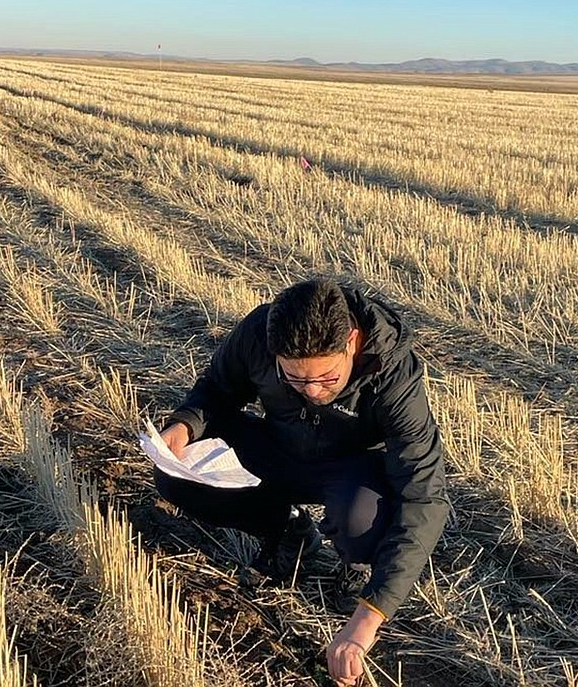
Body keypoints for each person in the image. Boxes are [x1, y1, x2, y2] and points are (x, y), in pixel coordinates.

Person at [155, 278, 449, 686]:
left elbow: (425, 494)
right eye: (294, 379)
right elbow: (217, 390)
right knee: (176, 473)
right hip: (275, 449)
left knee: (362, 521)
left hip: (346, 469)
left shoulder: (393, 376)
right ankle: (287, 530)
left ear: (351, 341)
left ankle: (351, 569)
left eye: (327, 379)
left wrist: (369, 617)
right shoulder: (259, 333)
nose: (312, 391)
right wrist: (184, 426)